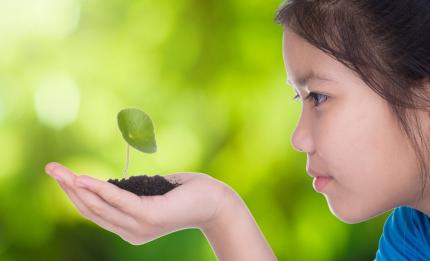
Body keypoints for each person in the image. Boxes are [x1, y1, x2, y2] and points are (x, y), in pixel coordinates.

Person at [45, 0, 430, 260]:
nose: (299, 139)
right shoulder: (412, 234)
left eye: (319, 98)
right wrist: (218, 211)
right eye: (300, 99)